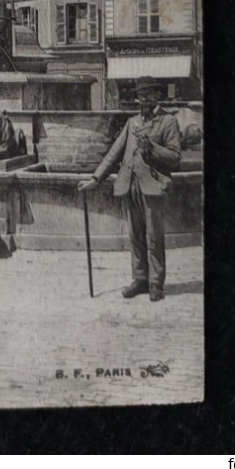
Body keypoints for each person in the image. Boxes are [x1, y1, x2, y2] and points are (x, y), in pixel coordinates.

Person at [78, 77, 182, 302]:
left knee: (154, 236)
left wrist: (151, 147)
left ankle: (156, 283)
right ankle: (140, 279)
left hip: (153, 185)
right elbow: (114, 153)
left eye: (148, 94)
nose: (143, 98)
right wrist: (95, 178)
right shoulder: (132, 122)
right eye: (140, 94)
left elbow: (175, 157)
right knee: (135, 236)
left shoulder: (168, 122)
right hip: (129, 185)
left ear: (157, 96)